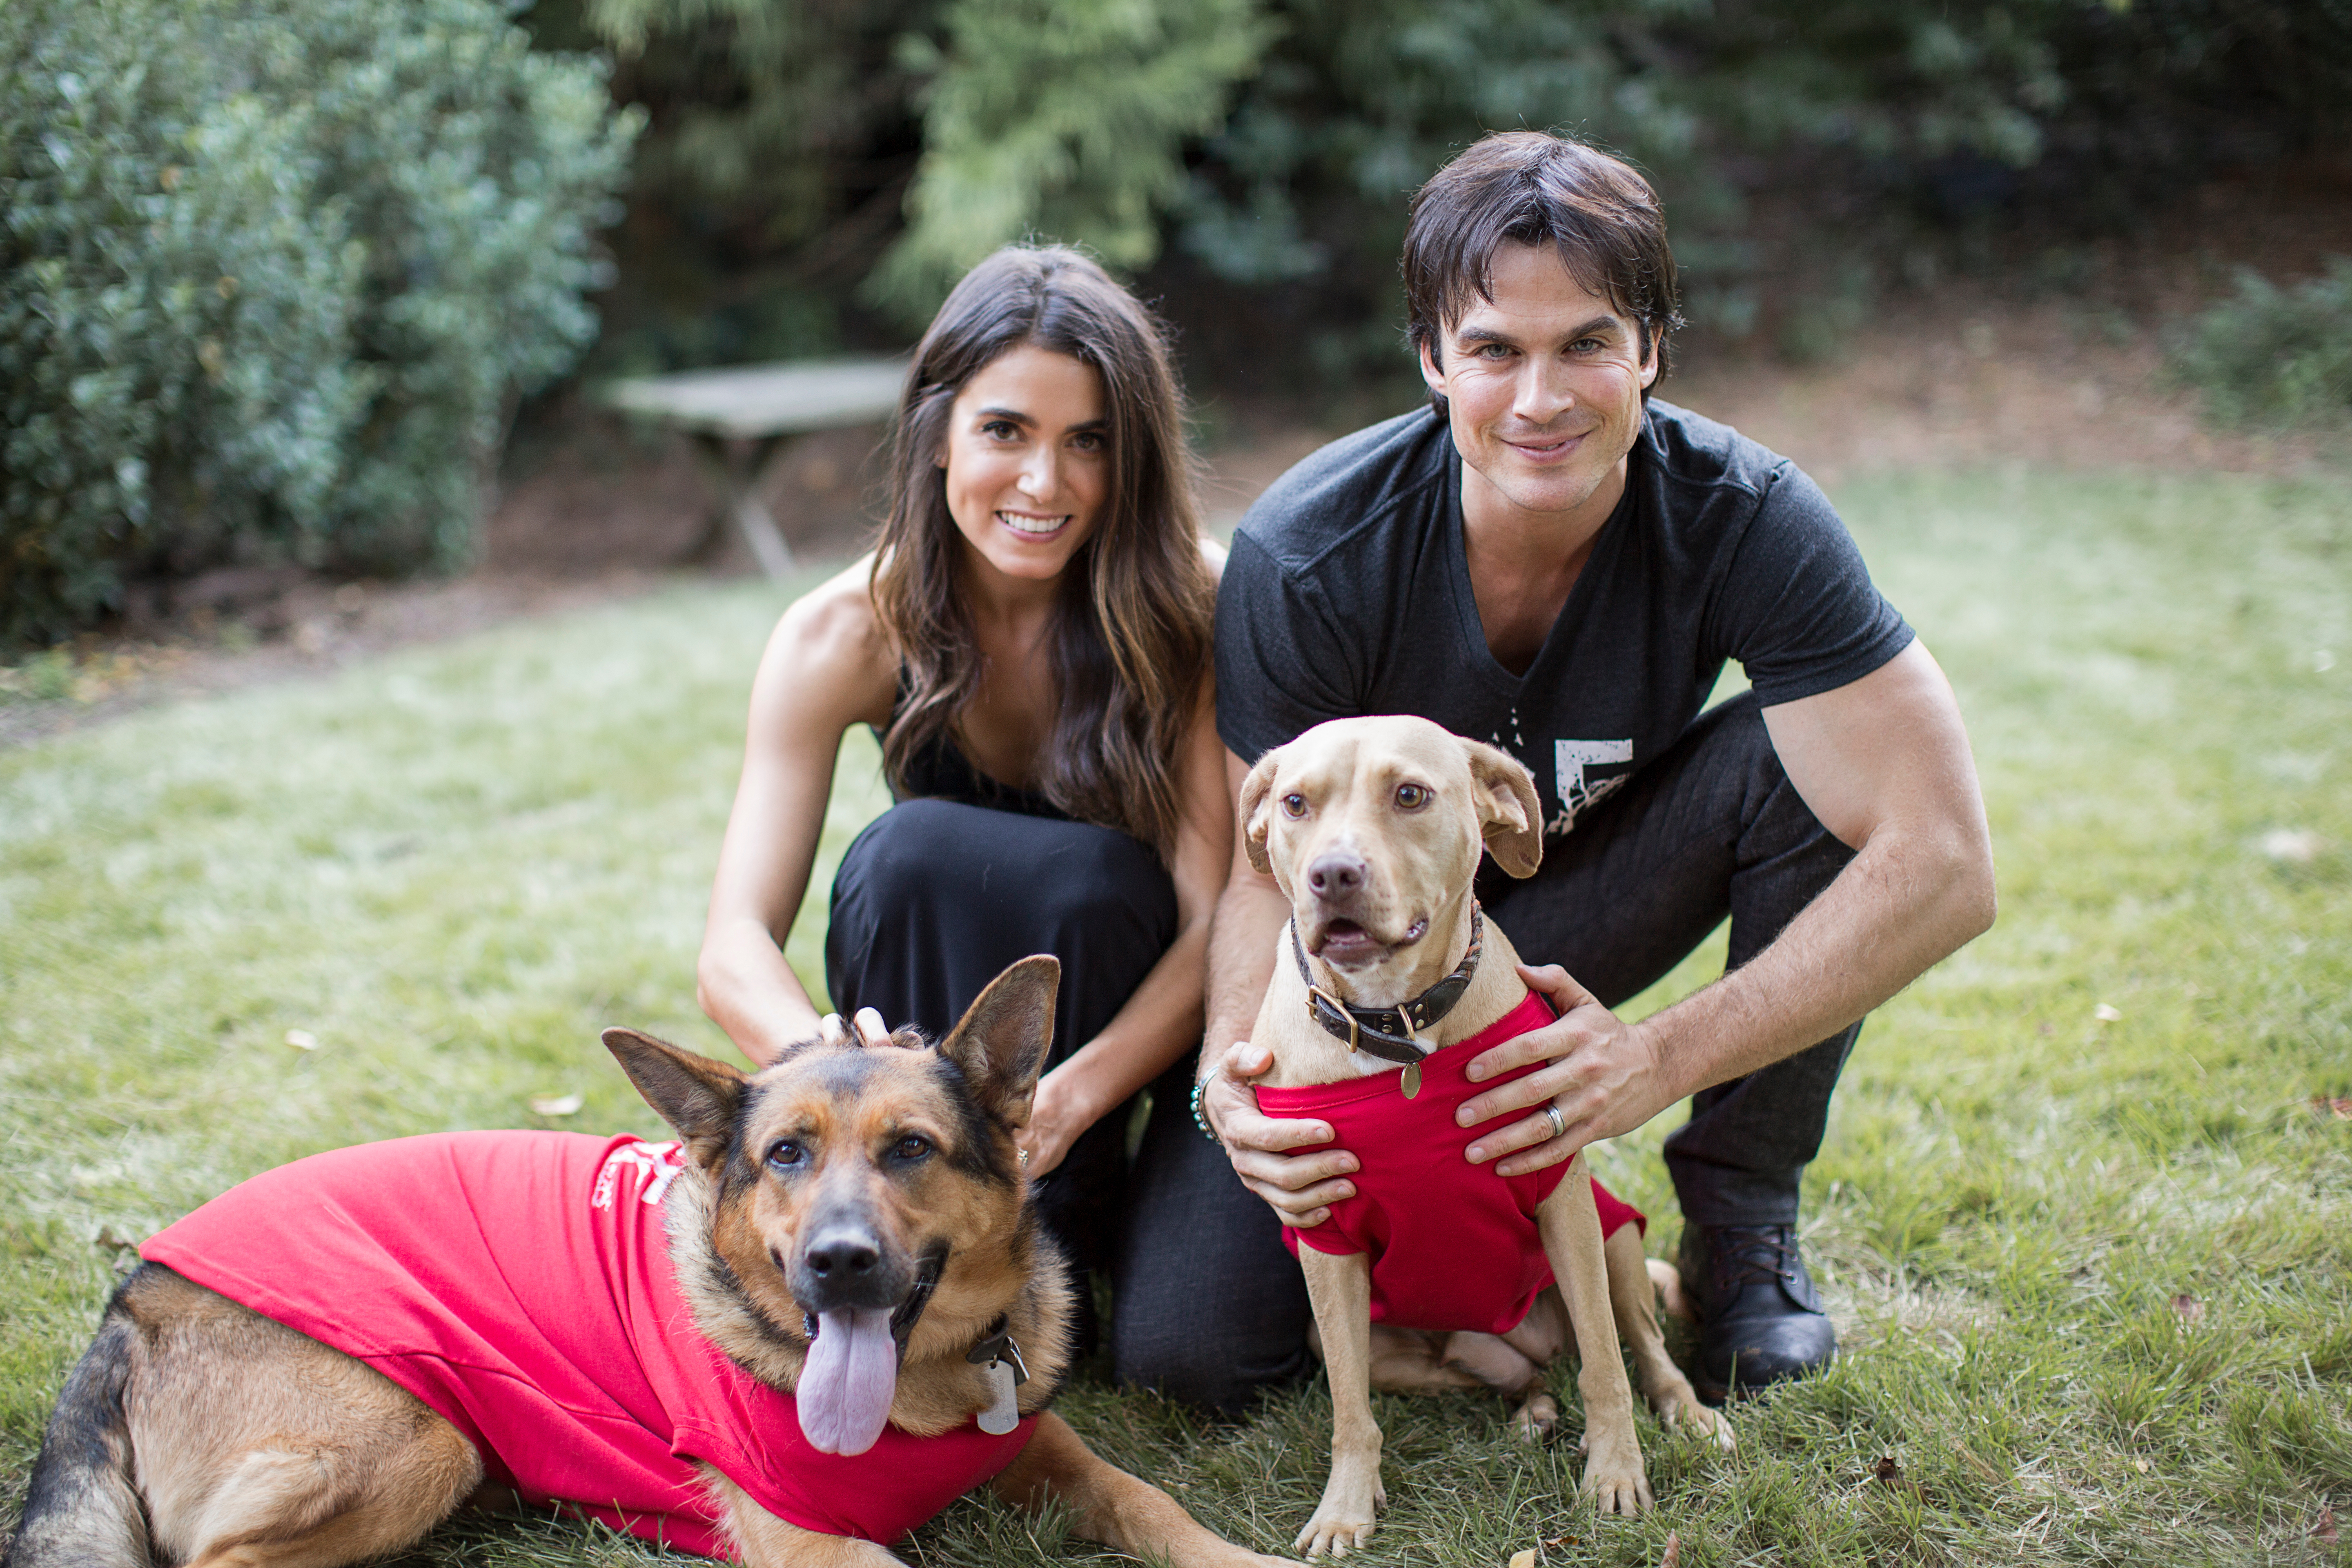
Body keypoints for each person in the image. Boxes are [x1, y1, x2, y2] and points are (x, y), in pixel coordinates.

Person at [1119, 131, 1997, 1410]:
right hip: (1361, 946)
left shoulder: (1745, 514)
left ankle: (1742, 1218)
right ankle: (1446, 1259)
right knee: (1195, 1353)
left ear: (1651, 350)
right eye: (1493, 351)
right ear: (1432, 358)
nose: (1541, 399)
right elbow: (1269, 874)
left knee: (1806, 769)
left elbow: (1947, 865)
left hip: (1588, 911)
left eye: (1587, 342)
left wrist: (1653, 1057)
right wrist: (1229, 1082)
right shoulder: (1312, 549)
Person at [696, 246, 1232, 1321]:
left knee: (1188, 1340)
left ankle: (1082, 1222)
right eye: (1006, 432)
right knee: (908, 854)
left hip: (1118, 1058)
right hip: (929, 1076)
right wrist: (833, 1070)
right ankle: (897, 1228)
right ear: (938, 433)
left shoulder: (1199, 613)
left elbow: (1217, 922)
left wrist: (1078, 1092)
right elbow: (733, 941)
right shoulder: (840, 633)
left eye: (1089, 443)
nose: (1045, 482)